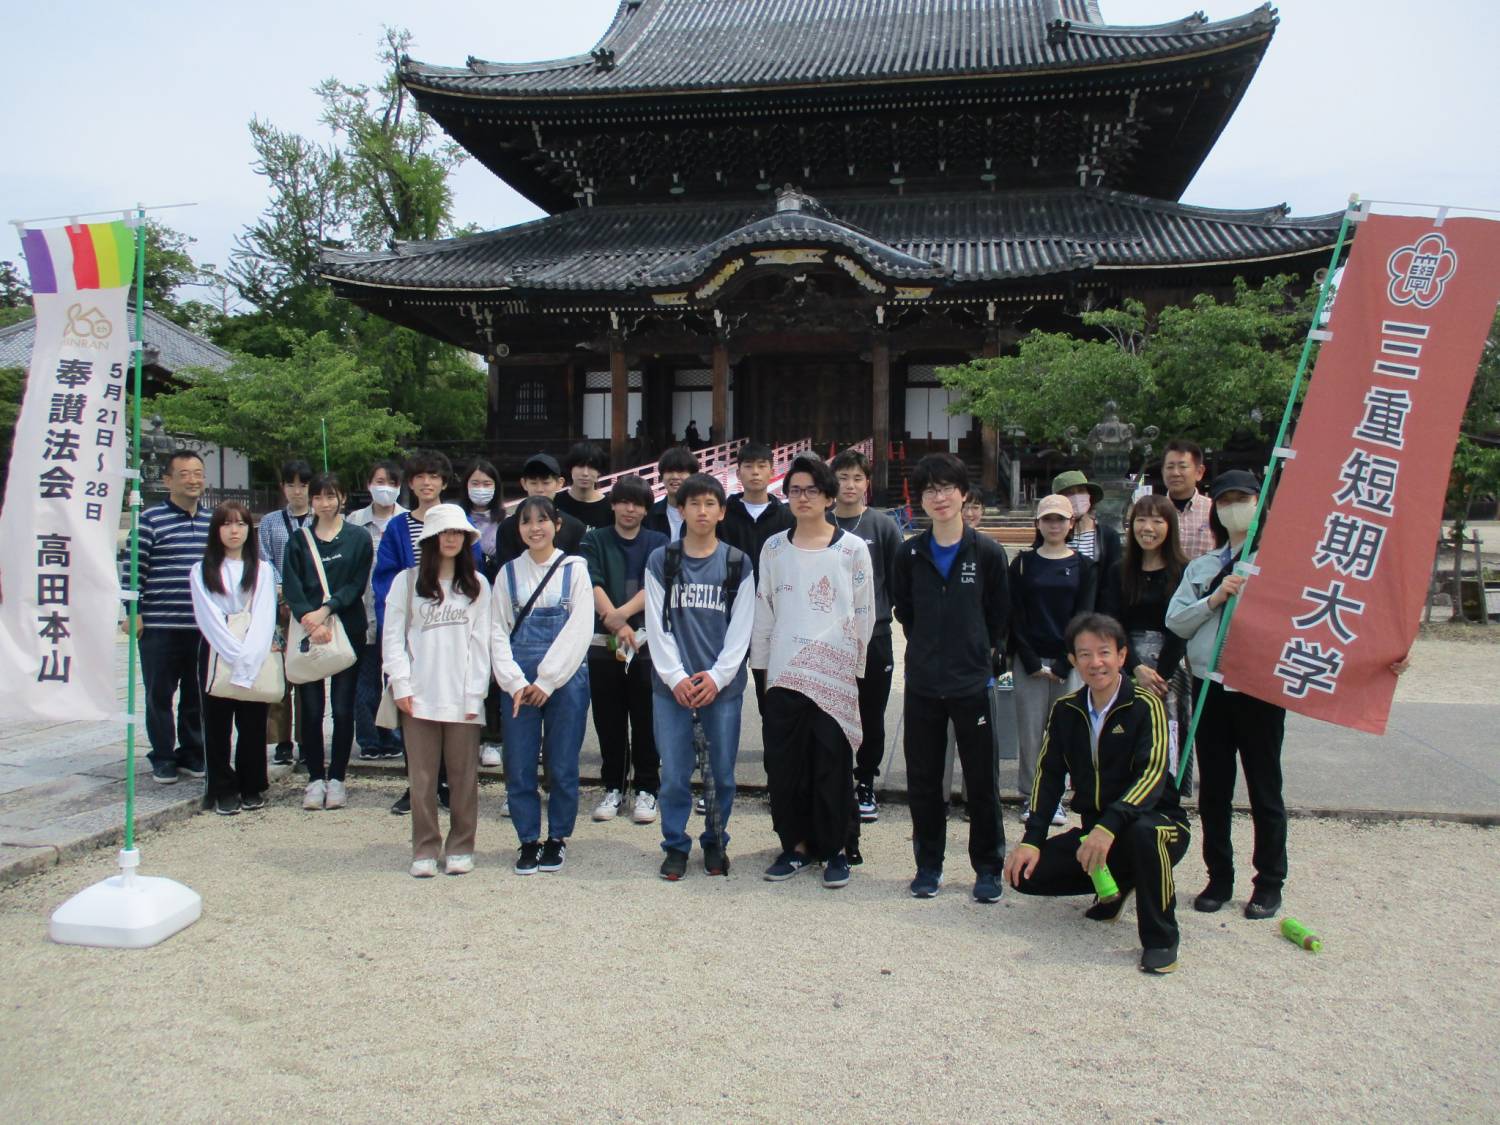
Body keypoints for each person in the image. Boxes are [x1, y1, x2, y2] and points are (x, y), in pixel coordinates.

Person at [1004, 613, 1189, 975]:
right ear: (1073, 660)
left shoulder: (1145, 705)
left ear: (1122, 656)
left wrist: (1109, 826)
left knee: (1142, 835)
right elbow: (1049, 775)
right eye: (1084, 654)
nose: (1095, 663)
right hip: (1097, 836)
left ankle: (1161, 938)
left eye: (1104, 652)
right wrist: (1032, 839)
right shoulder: (1066, 710)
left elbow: (1152, 774)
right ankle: (1117, 886)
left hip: (1158, 826)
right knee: (1023, 874)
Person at [1166, 470, 1287, 921]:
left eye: (1243, 498)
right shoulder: (1203, 567)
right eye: (1225, 500)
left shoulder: (1278, 565)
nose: (1233, 507)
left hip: (1258, 688)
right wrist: (1214, 598)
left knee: (1264, 786)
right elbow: (1177, 622)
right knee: (1214, 789)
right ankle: (1219, 876)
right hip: (1208, 686)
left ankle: (1269, 880)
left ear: (1259, 503)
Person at [891, 453, 1011, 902]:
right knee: (923, 780)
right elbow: (905, 610)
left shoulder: (987, 552)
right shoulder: (910, 552)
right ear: (921, 499)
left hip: (972, 682)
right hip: (923, 682)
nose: (939, 497)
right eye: (929, 490)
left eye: (946, 488)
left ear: (963, 494)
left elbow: (999, 615)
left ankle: (988, 867)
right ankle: (928, 865)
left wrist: (978, 653)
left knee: (981, 780)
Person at [752, 455, 874, 889]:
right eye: (795, 491)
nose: (803, 498)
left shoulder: (852, 549)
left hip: (834, 672)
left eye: (812, 491)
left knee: (832, 763)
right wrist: (761, 669)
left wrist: (854, 670)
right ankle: (796, 845)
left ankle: (836, 846)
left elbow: (864, 612)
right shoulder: (772, 548)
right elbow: (763, 609)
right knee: (787, 764)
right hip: (784, 670)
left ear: (828, 496)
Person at [645, 473, 756, 880]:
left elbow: (740, 630)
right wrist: (676, 677)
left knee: (722, 773)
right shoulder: (663, 560)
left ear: (722, 511)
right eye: (694, 504)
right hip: (670, 687)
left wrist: (717, 677)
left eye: (711, 504)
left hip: (721, 688)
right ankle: (675, 844)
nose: (702, 511)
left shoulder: (737, 562)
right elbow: (658, 627)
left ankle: (715, 840)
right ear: (680, 509)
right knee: (673, 773)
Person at [383, 504, 493, 878]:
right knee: (423, 779)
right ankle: (425, 847)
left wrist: (475, 692)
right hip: (419, 693)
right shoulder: (406, 581)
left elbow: (482, 643)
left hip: (463, 695)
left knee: (464, 778)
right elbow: (393, 638)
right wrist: (400, 683)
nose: (451, 538)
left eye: (457, 533)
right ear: (430, 539)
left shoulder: (478, 585)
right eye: (444, 533)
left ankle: (462, 845)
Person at [371, 449, 483, 815]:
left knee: (453, 712)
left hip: (453, 623)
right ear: (411, 483)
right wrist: (411, 599)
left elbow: (473, 570)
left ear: (444, 482)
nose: (426, 482)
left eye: (433, 476)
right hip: (414, 622)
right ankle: (419, 783)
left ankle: (448, 784)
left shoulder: (457, 521)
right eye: (419, 476)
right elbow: (385, 577)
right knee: (415, 710)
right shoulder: (399, 527)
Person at [492, 497, 593, 875]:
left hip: (565, 680)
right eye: (526, 522)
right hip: (518, 682)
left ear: (557, 523)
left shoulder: (575, 569)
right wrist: (516, 682)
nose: (535, 528)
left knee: (563, 763)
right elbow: (496, 632)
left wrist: (547, 680)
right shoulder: (508, 574)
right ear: (518, 529)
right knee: (518, 763)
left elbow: (580, 628)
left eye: (542, 520)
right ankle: (527, 839)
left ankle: (558, 838)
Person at [580, 475, 669, 824]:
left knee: (646, 718)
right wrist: (615, 622)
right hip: (604, 644)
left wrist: (623, 617)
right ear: (613, 504)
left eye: (638, 503)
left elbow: (657, 582)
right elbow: (592, 581)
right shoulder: (595, 539)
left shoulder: (658, 541)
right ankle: (613, 786)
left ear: (647, 508)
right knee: (608, 718)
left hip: (645, 644)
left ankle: (647, 787)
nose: (630, 509)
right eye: (624, 501)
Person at [282, 472, 373, 812]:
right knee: (311, 708)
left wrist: (326, 611)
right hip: (308, 631)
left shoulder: (358, 538)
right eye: (317, 497)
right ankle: (314, 777)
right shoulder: (299, 539)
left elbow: (356, 584)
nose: (324, 503)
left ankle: (337, 777)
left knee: (343, 706)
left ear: (342, 498)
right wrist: (310, 617)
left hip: (346, 628)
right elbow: (291, 585)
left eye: (330, 496)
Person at [1009, 494, 1098, 823]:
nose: (1054, 525)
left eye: (1061, 519)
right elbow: (1014, 613)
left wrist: (1067, 660)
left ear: (1071, 523)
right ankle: (1031, 794)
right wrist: (1030, 659)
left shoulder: (1084, 566)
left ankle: (1055, 795)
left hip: (1068, 660)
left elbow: (1084, 613)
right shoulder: (1022, 564)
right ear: (1038, 523)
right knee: (1031, 733)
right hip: (1029, 659)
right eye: (1048, 519)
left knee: (1064, 731)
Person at [828, 448, 902, 831]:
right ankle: (835, 776)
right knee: (832, 710)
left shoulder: (883, 526)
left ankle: (866, 780)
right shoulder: (820, 523)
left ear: (867, 483)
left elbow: (896, 578)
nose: (850, 485)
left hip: (873, 635)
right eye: (842, 478)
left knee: (870, 711)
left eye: (857, 478)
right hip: (829, 636)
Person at [1100, 494, 1192, 794]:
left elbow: (1181, 627)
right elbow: (1113, 623)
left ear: (1170, 526)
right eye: (1141, 519)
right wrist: (1136, 667)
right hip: (1127, 664)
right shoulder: (1119, 571)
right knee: (1125, 733)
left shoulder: (1183, 571)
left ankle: (1166, 799)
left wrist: (1161, 673)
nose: (1147, 527)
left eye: (1157, 520)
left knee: (1167, 734)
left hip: (1169, 668)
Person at [188, 501, 275, 814]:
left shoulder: (262, 570)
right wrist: (235, 654)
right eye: (227, 524)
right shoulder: (201, 570)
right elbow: (208, 616)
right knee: (216, 724)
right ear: (217, 530)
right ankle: (221, 788)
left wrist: (249, 655)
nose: (234, 530)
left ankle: (251, 785)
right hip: (216, 653)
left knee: (252, 725)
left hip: (255, 652)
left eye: (240, 524)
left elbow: (264, 615)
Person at [133, 449, 212, 785]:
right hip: (160, 625)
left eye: (198, 473)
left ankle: (193, 752)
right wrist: (132, 612)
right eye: (184, 474)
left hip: (202, 626)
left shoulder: (214, 522)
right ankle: (163, 756)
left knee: (197, 694)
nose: (193, 480)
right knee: (158, 694)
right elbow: (132, 570)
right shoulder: (150, 520)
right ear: (167, 480)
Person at [721, 441, 796, 714]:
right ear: (738, 472)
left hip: (774, 616)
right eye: (748, 466)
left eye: (762, 466)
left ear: (772, 471)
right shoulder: (722, 516)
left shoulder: (787, 517)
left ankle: (776, 755)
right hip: (730, 615)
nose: (755, 472)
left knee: (773, 695)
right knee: (726, 692)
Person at [258, 458, 315, 766]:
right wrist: (281, 590)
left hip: (310, 609)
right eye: (291, 485)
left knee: (307, 674)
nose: (297, 492)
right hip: (278, 607)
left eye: (303, 485)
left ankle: (308, 738)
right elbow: (264, 559)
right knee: (280, 677)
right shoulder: (270, 522)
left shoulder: (319, 520)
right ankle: (282, 740)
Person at [348, 459, 407, 761]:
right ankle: (369, 738)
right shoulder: (354, 521)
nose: (385, 487)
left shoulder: (407, 521)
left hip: (398, 612)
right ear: (369, 483)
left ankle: (394, 736)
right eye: (379, 480)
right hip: (363, 611)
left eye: (392, 482)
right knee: (366, 679)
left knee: (396, 676)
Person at [457, 458, 507, 767]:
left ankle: (493, 738)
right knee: (465, 668)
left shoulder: (507, 519)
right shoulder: (455, 517)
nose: (481, 489)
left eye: (487, 484)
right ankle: (466, 733)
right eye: (475, 483)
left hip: (496, 599)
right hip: (462, 599)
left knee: (494, 668)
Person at [495, 453, 588, 564]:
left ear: (559, 483)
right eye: (533, 483)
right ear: (524, 483)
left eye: (546, 483)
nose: (539, 489)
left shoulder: (575, 528)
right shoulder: (507, 528)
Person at [1052, 469, 1120, 584]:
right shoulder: (1052, 534)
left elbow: (1113, 580)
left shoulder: (1108, 536)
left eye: (1081, 491)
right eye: (1069, 493)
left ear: (1090, 496)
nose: (1076, 497)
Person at [1160, 439, 1215, 560]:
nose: (1175, 473)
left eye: (1182, 466)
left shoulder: (1214, 510)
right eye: (1169, 467)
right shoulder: (1153, 511)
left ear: (1199, 472)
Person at [643, 446, 699, 541]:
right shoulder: (650, 514)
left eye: (681, 471)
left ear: (693, 476)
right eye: (669, 471)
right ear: (662, 477)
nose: (675, 476)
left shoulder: (703, 513)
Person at [555, 441, 613, 529]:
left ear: (599, 472)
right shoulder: (555, 503)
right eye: (580, 466)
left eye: (591, 467)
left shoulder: (610, 507)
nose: (585, 473)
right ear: (570, 469)